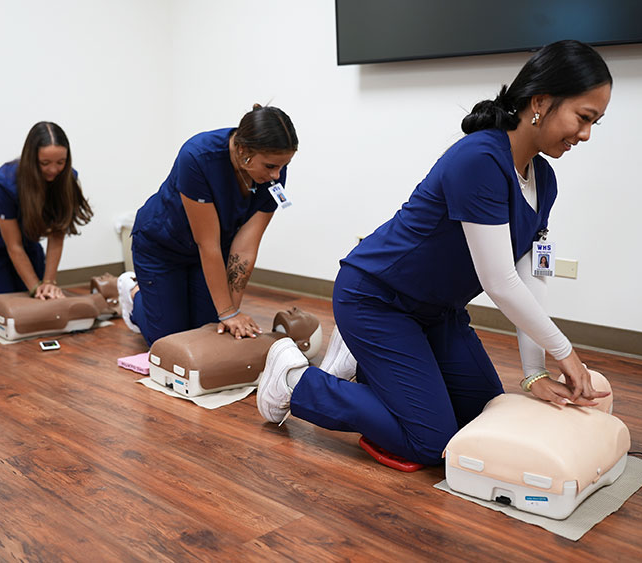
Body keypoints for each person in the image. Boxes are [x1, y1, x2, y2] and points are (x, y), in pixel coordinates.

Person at [257, 40, 613, 466]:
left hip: (437, 312)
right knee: (431, 442)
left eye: (596, 122)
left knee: (480, 418)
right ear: (541, 102)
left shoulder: (544, 180)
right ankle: (295, 379)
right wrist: (565, 353)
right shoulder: (481, 158)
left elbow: (531, 276)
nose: (587, 134)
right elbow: (500, 282)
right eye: (584, 118)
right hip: (376, 300)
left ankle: (371, 369)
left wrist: (535, 371)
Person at [120, 104, 298, 347]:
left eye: (282, 166)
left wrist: (230, 314)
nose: (277, 175)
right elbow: (207, 244)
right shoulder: (197, 156)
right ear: (243, 150)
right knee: (171, 341)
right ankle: (134, 293)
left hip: (212, 252)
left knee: (210, 332)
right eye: (270, 166)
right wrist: (226, 312)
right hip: (162, 247)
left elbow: (245, 249)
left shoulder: (272, 175)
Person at [0, 122, 92, 306]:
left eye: (60, 162)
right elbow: (13, 246)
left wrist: (48, 283)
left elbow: (57, 234)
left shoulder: (67, 179)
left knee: (33, 294)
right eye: (45, 163)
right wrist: (35, 288)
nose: (53, 170)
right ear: (32, 159)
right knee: (1, 301)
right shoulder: (4, 182)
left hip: (25, 239)